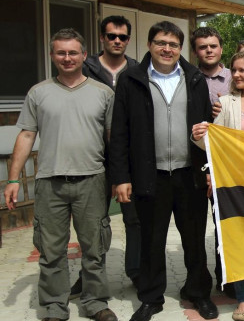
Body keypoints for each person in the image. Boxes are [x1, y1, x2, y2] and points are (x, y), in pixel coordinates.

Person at [4, 28, 117, 321]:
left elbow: (112, 139)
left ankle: (94, 303)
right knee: (51, 251)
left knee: (94, 248)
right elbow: (27, 135)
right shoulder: (38, 93)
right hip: (49, 183)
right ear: (53, 55)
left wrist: (119, 178)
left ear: (83, 55)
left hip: (91, 180)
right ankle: (55, 306)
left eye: (73, 52)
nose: (67, 58)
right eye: (61, 53)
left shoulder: (103, 93)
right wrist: (13, 180)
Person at [110, 21, 216, 321]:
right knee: (151, 241)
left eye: (173, 44)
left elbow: (207, 129)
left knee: (194, 239)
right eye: (160, 43)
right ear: (149, 45)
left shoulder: (195, 78)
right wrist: (121, 177)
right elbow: (119, 132)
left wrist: (207, 169)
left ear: (180, 48)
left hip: (189, 174)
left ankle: (197, 293)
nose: (166, 49)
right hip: (149, 175)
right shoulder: (132, 79)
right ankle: (151, 297)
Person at [192, 50, 244, 321]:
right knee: (238, 242)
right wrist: (197, 137)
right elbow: (213, 142)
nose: (236, 74)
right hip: (234, 185)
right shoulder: (226, 103)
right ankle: (242, 299)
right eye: (234, 70)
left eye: (242, 70)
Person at [69, 15, 141, 299]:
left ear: (128, 40)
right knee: (94, 223)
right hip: (93, 158)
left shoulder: (138, 70)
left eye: (122, 37)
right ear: (102, 38)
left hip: (130, 159)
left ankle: (136, 272)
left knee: (134, 221)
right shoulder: (84, 68)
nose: (117, 41)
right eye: (111, 36)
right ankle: (88, 277)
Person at [190, 26, 236, 297]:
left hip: (229, 162)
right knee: (195, 225)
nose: (208, 50)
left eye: (213, 46)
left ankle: (228, 278)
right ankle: (198, 281)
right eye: (203, 46)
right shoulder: (188, 78)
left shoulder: (235, 77)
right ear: (195, 51)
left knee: (227, 224)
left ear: (221, 49)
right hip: (196, 160)